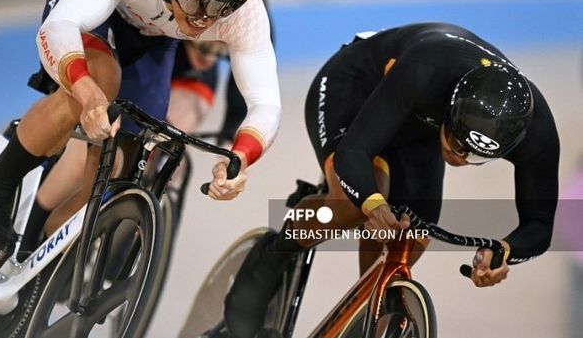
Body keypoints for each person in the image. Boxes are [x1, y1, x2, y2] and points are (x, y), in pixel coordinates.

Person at [222, 22, 559, 338]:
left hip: (420, 126)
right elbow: (353, 151)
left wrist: (505, 250)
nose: (460, 159)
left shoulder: (535, 129)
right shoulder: (428, 69)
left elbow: (540, 225)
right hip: (357, 87)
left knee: (403, 244)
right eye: (458, 145)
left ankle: (366, 316)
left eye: (477, 158)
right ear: (453, 110)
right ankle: (274, 254)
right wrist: (371, 202)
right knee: (349, 206)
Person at [0, 0, 281, 250]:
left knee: (128, 156)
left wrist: (240, 158)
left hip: (153, 33)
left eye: (218, 9)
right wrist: (87, 92)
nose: (203, 19)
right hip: (97, 7)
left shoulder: (244, 13)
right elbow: (59, 26)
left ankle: (47, 250)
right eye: (195, 3)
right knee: (101, 81)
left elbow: (266, 103)